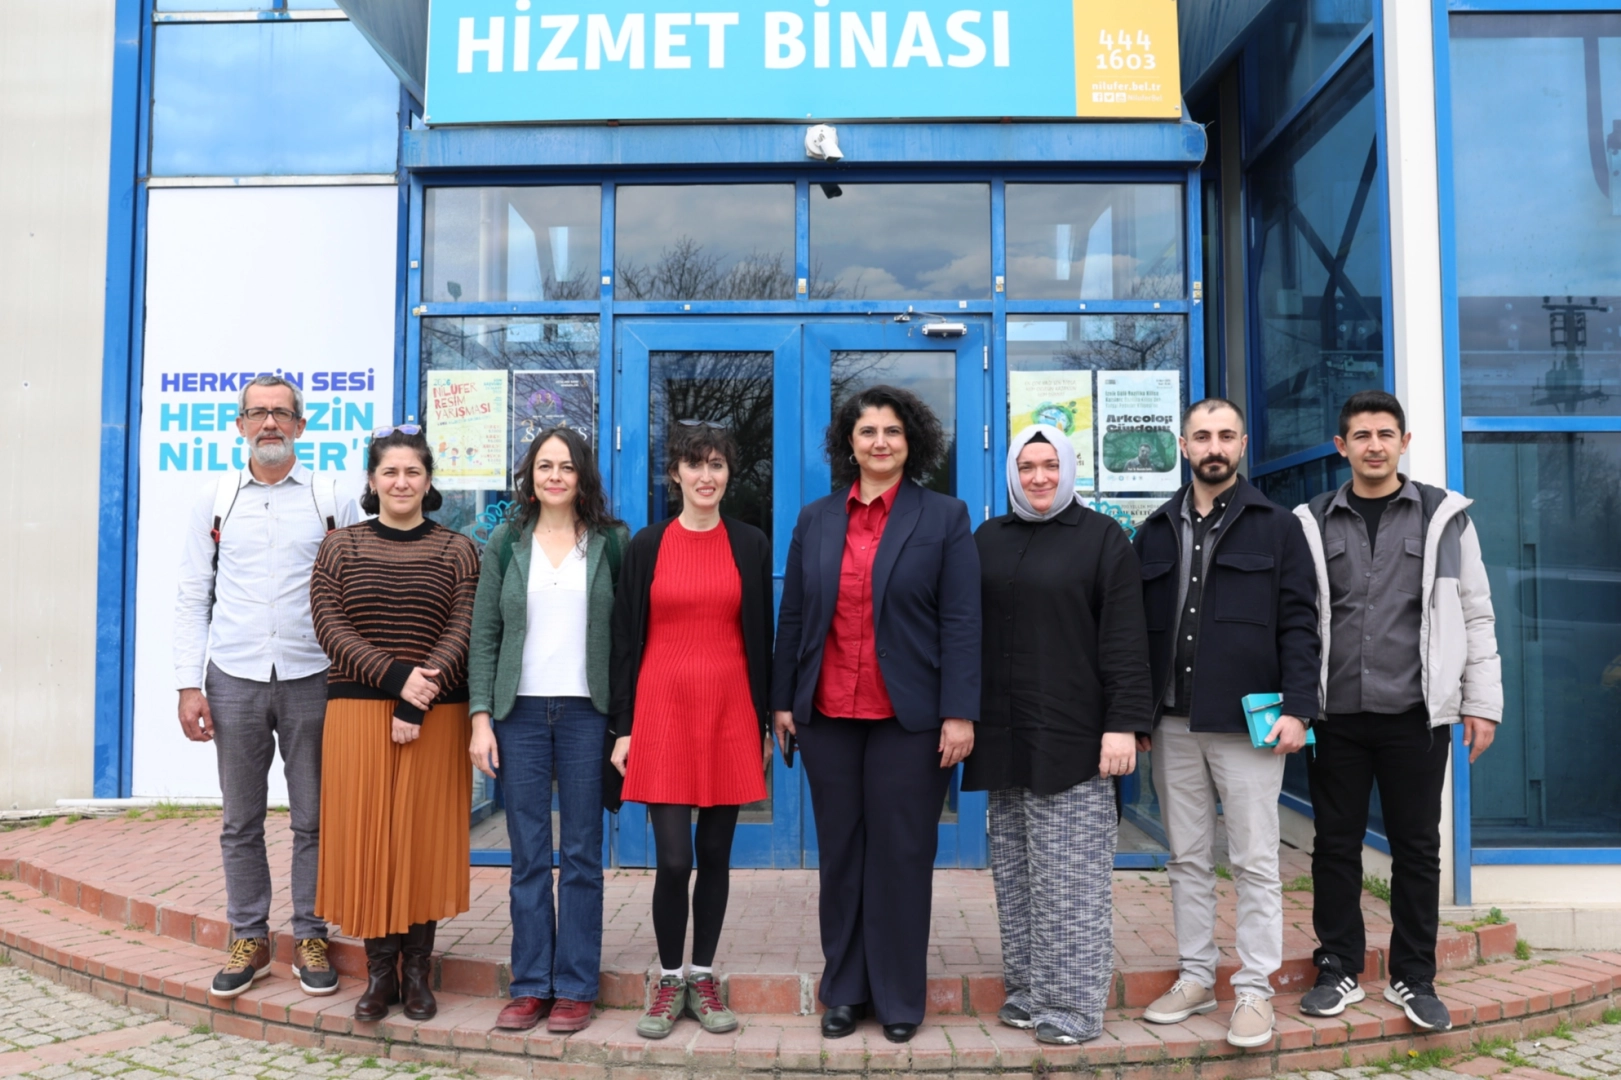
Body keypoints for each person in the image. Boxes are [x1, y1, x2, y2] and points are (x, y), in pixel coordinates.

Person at [772, 385, 981, 1045]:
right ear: (850, 443)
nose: (880, 442)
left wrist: (960, 713)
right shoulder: (816, 519)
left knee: (901, 855)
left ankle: (897, 997)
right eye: (868, 431)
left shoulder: (944, 516)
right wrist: (782, 701)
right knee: (841, 855)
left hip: (909, 718)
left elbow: (962, 620)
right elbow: (794, 615)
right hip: (827, 713)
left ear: (910, 441)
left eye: (892, 431)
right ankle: (844, 991)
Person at [1293, 391, 1501, 1032]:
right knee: (1335, 846)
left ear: (1404, 442)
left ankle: (1415, 975)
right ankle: (1339, 968)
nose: (1375, 445)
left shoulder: (1445, 518)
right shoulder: (1312, 521)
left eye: (1386, 434)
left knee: (1417, 848)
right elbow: (1296, 619)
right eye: (1361, 435)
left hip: (1417, 715)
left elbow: (1476, 614)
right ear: (1342, 446)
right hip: (1337, 717)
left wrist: (1481, 703)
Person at [1132, 398, 1320, 1050]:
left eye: (1225, 435)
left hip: (1249, 727)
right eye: (1202, 435)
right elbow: (1135, 632)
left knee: (1254, 861)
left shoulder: (1278, 527)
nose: (1213, 446)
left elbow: (1301, 622)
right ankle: (1195, 976)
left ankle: (1254, 989)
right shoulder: (1155, 530)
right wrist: (1134, 715)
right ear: (1183, 445)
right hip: (1173, 725)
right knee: (1186, 858)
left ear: (1241, 445)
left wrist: (1299, 708)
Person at [964, 425, 1154, 1046]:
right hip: (1004, 734)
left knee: (1069, 880)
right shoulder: (987, 539)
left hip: (1074, 737)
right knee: (1017, 874)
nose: (1039, 477)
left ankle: (1073, 1006)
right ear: (1012, 473)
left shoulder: (1102, 538)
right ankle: (1028, 990)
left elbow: (1124, 638)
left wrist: (1123, 724)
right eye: (1027, 467)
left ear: (1068, 469)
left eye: (1050, 465)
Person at [174, 374, 358, 1001]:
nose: (270, 423)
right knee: (240, 821)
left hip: (313, 675)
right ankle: (249, 937)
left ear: (302, 425)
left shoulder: (333, 497)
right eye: (258, 413)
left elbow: (355, 590)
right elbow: (193, 595)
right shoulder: (216, 500)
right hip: (234, 677)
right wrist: (187, 685)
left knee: (314, 818)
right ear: (240, 425)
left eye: (281, 412)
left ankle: (310, 935)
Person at [310, 425, 480, 1023]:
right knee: (368, 838)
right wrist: (395, 680)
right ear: (372, 480)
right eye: (391, 472)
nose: (402, 482)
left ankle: (417, 975)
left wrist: (416, 699)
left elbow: (464, 626)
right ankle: (379, 975)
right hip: (357, 711)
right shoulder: (341, 547)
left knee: (420, 839)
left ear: (429, 481)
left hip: (436, 714)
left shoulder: (459, 549)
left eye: (413, 472)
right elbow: (328, 624)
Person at [609, 422, 773, 1040]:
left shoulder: (750, 543)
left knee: (716, 855)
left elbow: (762, 637)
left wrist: (764, 719)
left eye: (718, 465)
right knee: (675, 859)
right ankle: (669, 978)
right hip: (663, 712)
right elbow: (624, 641)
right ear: (675, 473)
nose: (707, 476)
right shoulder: (647, 545)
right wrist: (623, 728)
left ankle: (702, 976)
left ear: (729, 474)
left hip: (729, 712)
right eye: (695, 464)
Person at [467, 427, 630, 1034]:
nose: (555, 476)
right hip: (521, 716)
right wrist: (480, 718)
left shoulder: (612, 543)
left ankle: (576, 987)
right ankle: (532, 984)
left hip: (588, 714)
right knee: (529, 854)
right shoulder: (506, 542)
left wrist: (625, 723)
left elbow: (627, 640)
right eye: (544, 466)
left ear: (582, 475)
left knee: (583, 854)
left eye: (565, 466)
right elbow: (485, 635)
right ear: (530, 477)